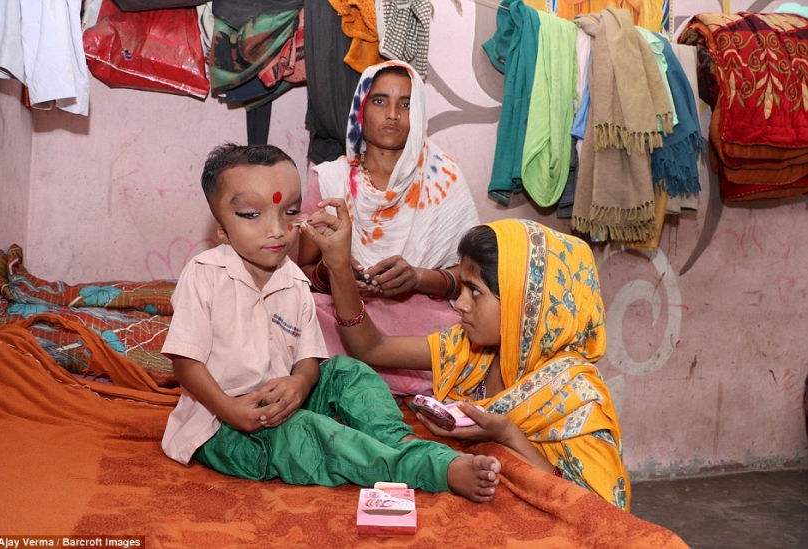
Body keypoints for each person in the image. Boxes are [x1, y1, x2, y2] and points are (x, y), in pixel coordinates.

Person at [159, 143, 501, 502]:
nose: (277, 229)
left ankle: (397, 439)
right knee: (310, 433)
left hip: (288, 399)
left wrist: (300, 383)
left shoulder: (293, 279)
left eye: (290, 212)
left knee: (346, 371)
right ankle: (427, 467)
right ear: (223, 230)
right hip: (224, 424)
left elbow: (309, 357)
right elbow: (185, 361)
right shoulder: (204, 274)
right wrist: (230, 410)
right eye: (251, 214)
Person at [301, 201, 632, 510]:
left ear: (523, 306)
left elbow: (594, 510)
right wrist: (339, 265)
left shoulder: (577, 397)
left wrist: (506, 434)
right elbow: (371, 347)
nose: (460, 303)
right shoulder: (476, 351)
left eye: (476, 291)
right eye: (463, 289)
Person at [297, 60, 481, 397]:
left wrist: (418, 278)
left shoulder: (444, 178)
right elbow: (302, 270)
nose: (393, 113)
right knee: (299, 316)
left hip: (419, 311)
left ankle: (358, 382)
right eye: (380, 101)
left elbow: (471, 277)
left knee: (468, 334)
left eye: (406, 104)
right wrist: (337, 274)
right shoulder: (329, 179)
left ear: (419, 112)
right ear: (360, 110)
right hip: (344, 310)